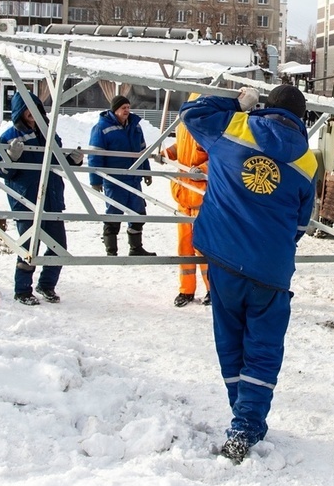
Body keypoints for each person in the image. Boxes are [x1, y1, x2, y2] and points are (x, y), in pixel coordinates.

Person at [180, 84, 317, 463]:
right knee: (263, 350)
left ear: (265, 107)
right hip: (271, 271)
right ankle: (246, 423)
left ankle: (242, 419)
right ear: (301, 119)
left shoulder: (234, 128)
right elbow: (301, 225)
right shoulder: (307, 160)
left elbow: (190, 112)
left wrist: (237, 103)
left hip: (224, 260)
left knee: (231, 343)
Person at [0, 91, 83, 306]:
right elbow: (1, 170)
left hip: (51, 199)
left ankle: (47, 285)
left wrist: (73, 161)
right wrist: (11, 158)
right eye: (27, 109)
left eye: (35, 108)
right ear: (19, 112)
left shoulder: (50, 134)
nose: (32, 113)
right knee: (29, 247)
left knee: (59, 247)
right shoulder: (10, 136)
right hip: (26, 201)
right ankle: (22, 289)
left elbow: (59, 162)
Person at [88, 94, 155, 257]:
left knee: (138, 214)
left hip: (133, 179)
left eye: (128, 107)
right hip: (114, 179)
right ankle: (111, 250)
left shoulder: (135, 126)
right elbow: (95, 155)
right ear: (115, 110)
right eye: (123, 108)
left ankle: (136, 248)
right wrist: (95, 179)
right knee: (114, 213)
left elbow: (142, 151)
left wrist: (146, 171)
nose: (127, 110)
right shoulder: (101, 128)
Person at [164, 95, 210, 307]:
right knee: (184, 247)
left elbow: (219, 159)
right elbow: (179, 148)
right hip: (183, 196)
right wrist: (166, 153)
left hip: (202, 198)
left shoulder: (209, 129)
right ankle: (186, 290)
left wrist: (200, 170)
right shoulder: (184, 127)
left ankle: (212, 290)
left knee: (205, 248)